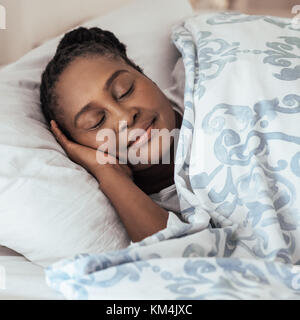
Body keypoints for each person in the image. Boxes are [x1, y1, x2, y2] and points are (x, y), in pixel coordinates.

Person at [40, 27, 185, 243]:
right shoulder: (143, 213)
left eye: (124, 90)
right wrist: (107, 171)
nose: (124, 118)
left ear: (146, 77)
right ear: (80, 146)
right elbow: (178, 257)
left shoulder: (206, 85)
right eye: (96, 121)